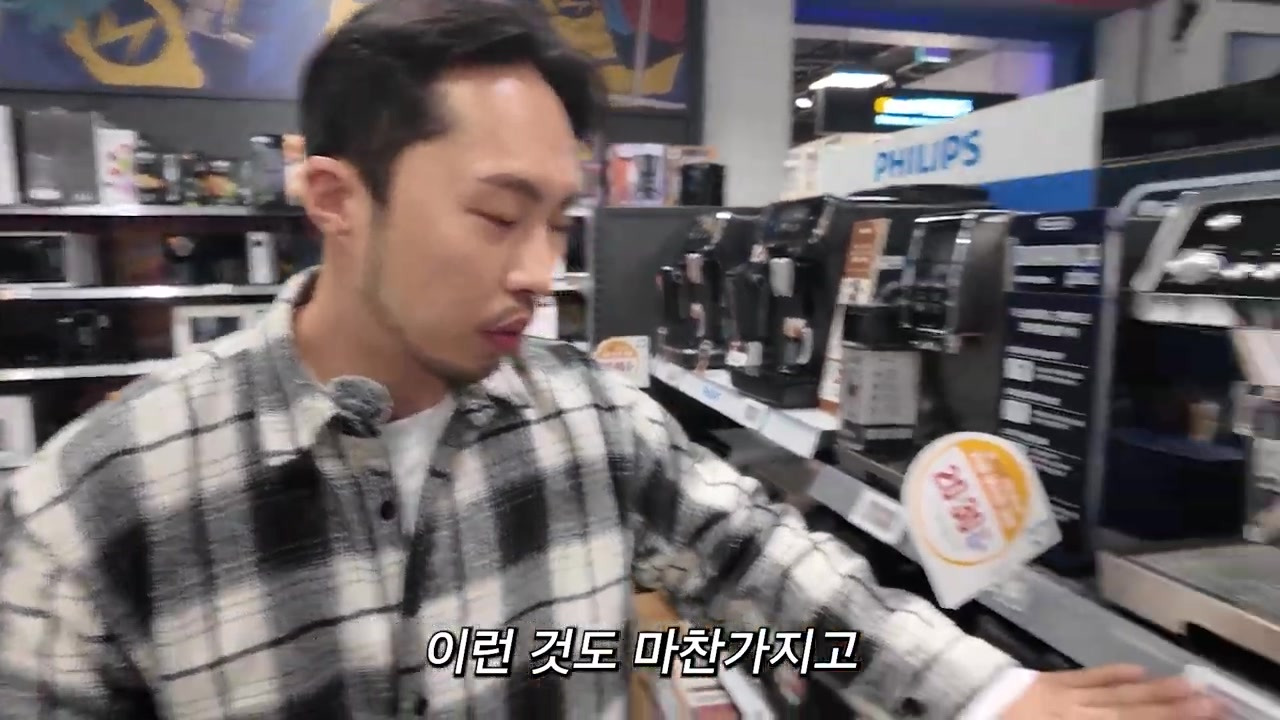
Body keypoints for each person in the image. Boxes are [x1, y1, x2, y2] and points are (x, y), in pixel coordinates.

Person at [0, 2, 1223, 718]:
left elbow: (769, 570)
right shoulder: (93, 506)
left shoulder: (583, 418)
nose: (540, 271)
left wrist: (991, 695)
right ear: (334, 198)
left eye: (558, 222)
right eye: (497, 216)